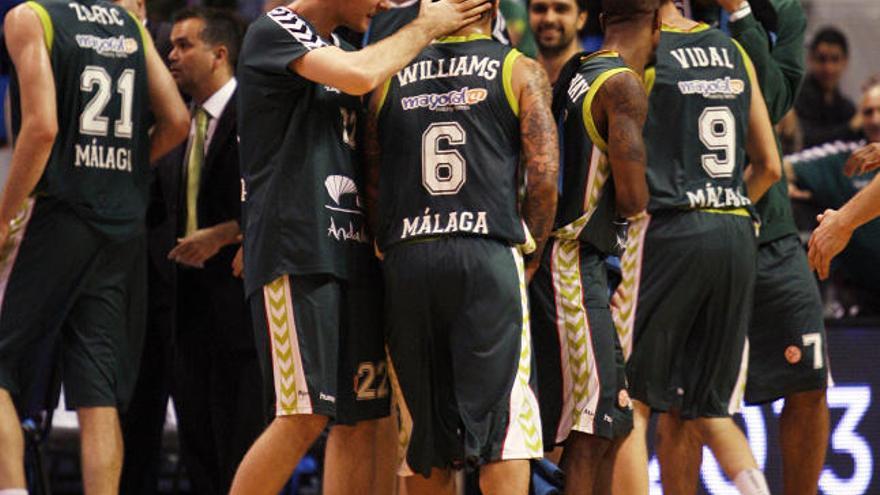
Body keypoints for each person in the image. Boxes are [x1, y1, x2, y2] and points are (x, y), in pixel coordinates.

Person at [231, 1, 492, 494]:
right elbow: (357, 75)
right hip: (299, 251)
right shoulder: (278, 28)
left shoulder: (350, 45)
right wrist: (427, 25)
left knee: (365, 418)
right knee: (303, 416)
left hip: (357, 254)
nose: (385, 4)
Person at [363, 1, 558, 492]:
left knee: (423, 436)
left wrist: (388, 243)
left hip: (408, 254)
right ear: (492, 8)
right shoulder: (519, 68)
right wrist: (528, 254)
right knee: (504, 433)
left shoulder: (388, 72)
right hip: (485, 252)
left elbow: (371, 178)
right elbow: (545, 179)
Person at [0, 0, 188, 492]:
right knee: (96, 390)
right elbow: (177, 120)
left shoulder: (31, 17)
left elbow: (41, 127)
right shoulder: (130, 25)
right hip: (121, 225)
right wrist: (125, 175)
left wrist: (3, 217)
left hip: (56, 212)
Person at [608, 0, 781, 493]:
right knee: (712, 408)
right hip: (735, 227)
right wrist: (717, 203)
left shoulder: (642, 50)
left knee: (629, 402)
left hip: (669, 228)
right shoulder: (732, 50)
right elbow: (769, 165)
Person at [659, 1, 832, 494]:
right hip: (686, 226)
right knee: (681, 402)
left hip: (767, 228)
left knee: (808, 383)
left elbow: (773, 102)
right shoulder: (659, 12)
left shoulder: (780, 12)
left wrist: (739, 14)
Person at [527, 0, 658, 493]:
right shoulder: (623, 85)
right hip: (571, 264)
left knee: (607, 422)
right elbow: (633, 198)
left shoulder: (578, 69)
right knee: (589, 427)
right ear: (657, 27)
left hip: (568, 265)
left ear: (600, 21)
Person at [147, 8, 265, 495]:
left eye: (183, 45)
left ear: (219, 54)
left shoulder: (257, 114)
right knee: (198, 453)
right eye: (170, 45)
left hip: (242, 312)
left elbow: (281, 197)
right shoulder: (175, 123)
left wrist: (228, 233)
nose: (171, 55)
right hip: (183, 312)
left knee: (240, 452)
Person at [786, 81, 880, 311]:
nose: (876, 119)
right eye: (868, 112)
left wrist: (841, 223)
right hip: (860, 298)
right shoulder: (848, 157)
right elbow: (777, 167)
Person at [794, 27, 858, 149]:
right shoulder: (795, 100)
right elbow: (806, 139)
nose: (828, 68)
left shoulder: (846, 107)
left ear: (845, 61)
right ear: (810, 59)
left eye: (835, 59)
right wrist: (850, 127)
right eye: (822, 59)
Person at [527, 0, 589, 85]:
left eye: (561, 9)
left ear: (581, 19)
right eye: (539, 9)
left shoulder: (594, 81)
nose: (549, 19)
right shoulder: (516, 78)